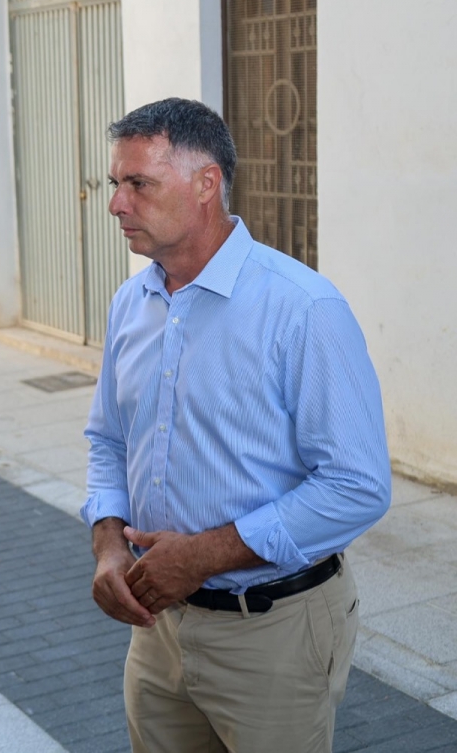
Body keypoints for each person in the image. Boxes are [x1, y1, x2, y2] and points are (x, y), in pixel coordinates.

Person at [82, 98, 391, 752]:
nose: (116, 203)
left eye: (138, 183)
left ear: (205, 184)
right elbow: (108, 439)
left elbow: (357, 485)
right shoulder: (129, 303)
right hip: (157, 628)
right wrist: (108, 543)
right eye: (116, 183)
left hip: (272, 635)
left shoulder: (303, 309)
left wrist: (206, 554)